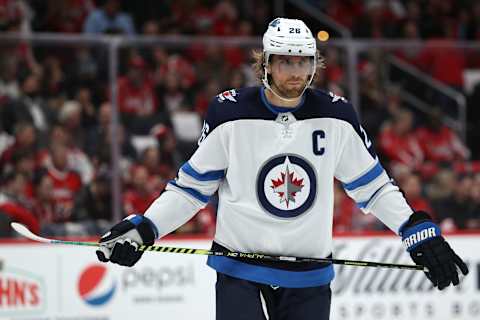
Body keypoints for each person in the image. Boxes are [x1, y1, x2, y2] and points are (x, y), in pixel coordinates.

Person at [96, 18, 468, 320]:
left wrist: (414, 227)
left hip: (309, 278)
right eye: (286, 61)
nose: (295, 70)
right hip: (240, 273)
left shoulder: (336, 115)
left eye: (303, 61)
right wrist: (146, 227)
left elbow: (372, 187)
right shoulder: (230, 113)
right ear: (267, 65)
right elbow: (190, 189)